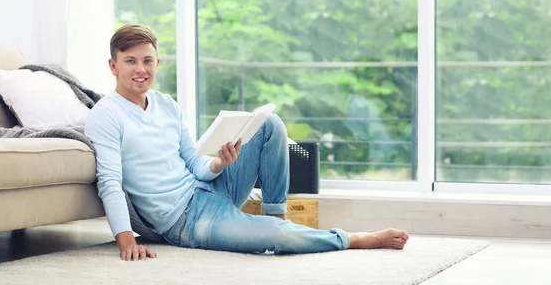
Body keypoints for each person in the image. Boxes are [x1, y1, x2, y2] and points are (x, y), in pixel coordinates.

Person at [84, 24, 409, 261]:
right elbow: (109, 182)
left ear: (157, 64)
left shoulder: (166, 103)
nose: (141, 69)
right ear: (113, 66)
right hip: (185, 220)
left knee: (269, 123)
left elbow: (193, 160)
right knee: (274, 239)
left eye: (148, 61)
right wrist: (126, 240)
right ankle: (353, 239)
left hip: (209, 186)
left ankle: (275, 213)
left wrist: (219, 163)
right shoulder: (106, 115)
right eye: (131, 61)